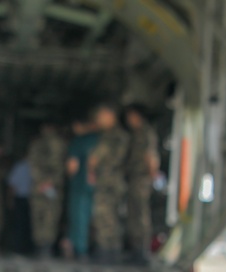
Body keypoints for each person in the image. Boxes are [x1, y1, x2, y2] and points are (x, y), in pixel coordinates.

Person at [88, 105, 130, 262]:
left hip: (109, 182)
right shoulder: (114, 135)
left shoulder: (114, 136)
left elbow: (97, 158)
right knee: (110, 215)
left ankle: (107, 252)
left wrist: (92, 165)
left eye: (101, 116)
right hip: (111, 181)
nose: (98, 120)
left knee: (105, 216)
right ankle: (111, 252)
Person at [124, 105, 160, 259]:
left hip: (142, 178)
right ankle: (135, 248)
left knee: (141, 214)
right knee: (134, 213)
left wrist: (151, 177)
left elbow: (151, 156)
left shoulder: (146, 132)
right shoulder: (136, 133)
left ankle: (142, 249)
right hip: (135, 177)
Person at [27, 123, 67, 258]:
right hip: (51, 188)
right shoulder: (61, 144)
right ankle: (45, 249)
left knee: (40, 217)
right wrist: (50, 182)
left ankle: (41, 249)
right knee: (49, 217)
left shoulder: (36, 144)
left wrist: (41, 182)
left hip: (41, 187)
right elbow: (61, 167)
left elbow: (32, 166)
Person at [65, 118, 99, 260]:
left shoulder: (79, 141)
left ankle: (80, 250)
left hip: (80, 186)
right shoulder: (101, 139)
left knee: (79, 217)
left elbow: (72, 166)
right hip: (100, 187)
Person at [6, 155, 33, 254]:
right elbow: (12, 185)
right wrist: (10, 200)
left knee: (23, 225)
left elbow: (11, 185)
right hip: (22, 198)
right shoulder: (21, 166)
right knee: (21, 225)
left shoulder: (22, 166)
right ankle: (20, 249)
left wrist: (10, 200)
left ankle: (23, 249)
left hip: (28, 199)